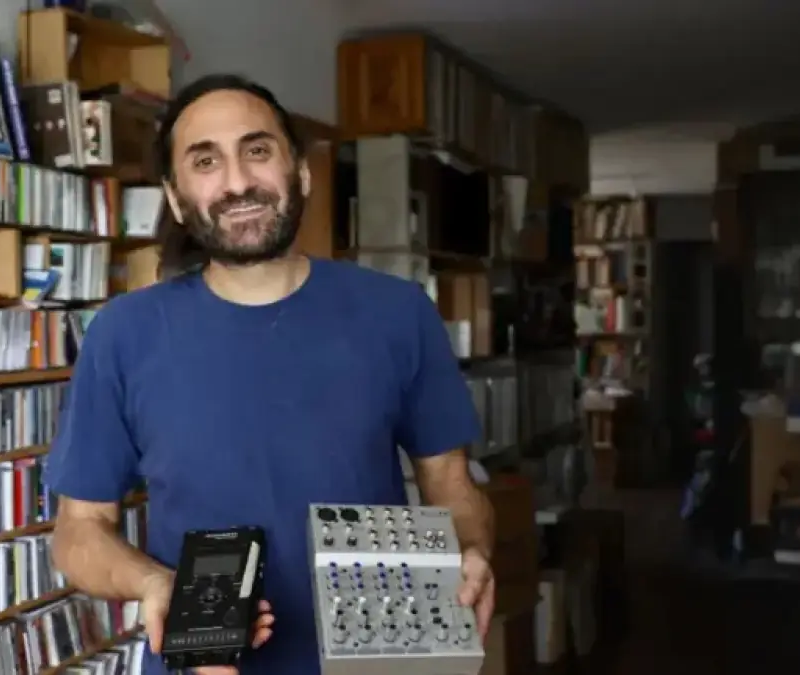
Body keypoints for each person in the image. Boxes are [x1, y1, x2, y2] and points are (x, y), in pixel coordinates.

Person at [44, 74, 496, 675]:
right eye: (206, 161)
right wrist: (154, 583)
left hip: (380, 661)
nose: (237, 182)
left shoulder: (399, 312)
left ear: (300, 172)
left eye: (257, 150)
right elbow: (79, 531)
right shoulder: (123, 333)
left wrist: (472, 550)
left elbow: (452, 484)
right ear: (175, 199)